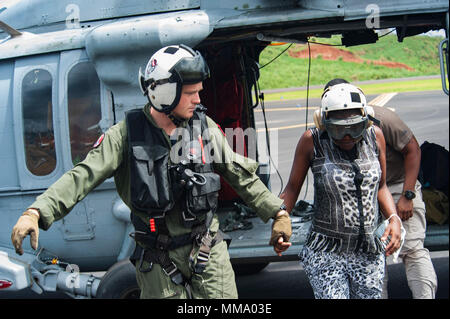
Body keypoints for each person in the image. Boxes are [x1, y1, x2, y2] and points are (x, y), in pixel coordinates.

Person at [11, 44, 292, 299]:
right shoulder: (125, 137)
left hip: (207, 250)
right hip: (158, 259)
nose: (198, 99)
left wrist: (277, 213)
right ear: (166, 92)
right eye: (191, 93)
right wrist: (36, 212)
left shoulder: (203, 127)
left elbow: (239, 174)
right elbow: (82, 176)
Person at [280, 83, 402, 299]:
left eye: (354, 127)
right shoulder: (312, 141)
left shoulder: (376, 137)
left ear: (366, 120)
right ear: (324, 122)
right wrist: (280, 221)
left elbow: (381, 186)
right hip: (327, 252)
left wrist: (393, 218)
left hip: (368, 252)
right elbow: (292, 188)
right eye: (338, 129)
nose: (347, 136)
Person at [324, 78, 438, 299]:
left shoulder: (383, 119)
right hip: (362, 193)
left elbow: (413, 150)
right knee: (372, 257)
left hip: (396, 185)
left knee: (412, 249)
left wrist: (407, 195)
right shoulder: (323, 130)